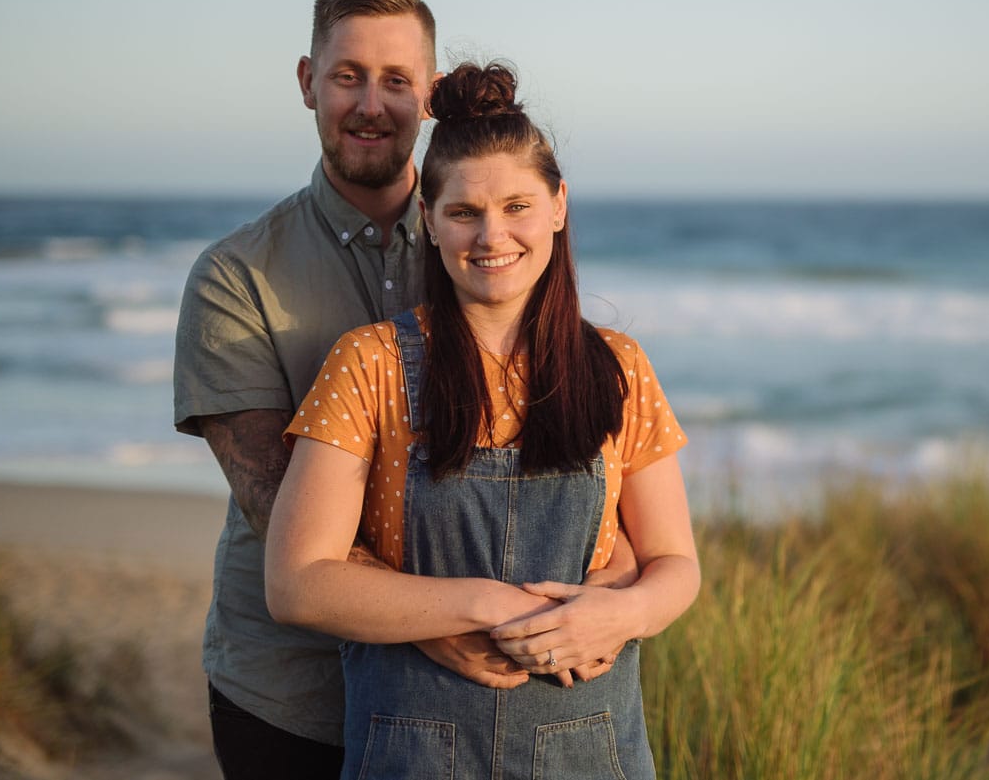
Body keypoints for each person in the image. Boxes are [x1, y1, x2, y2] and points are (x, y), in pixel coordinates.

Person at [174, 0, 635, 779]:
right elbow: (278, 502)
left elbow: (586, 455)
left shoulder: (485, 248)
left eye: (395, 80)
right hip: (289, 690)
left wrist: (621, 586)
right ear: (308, 83)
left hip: (484, 700)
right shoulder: (236, 276)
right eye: (347, 76)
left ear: (428, 95)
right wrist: (439, 617)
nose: (370, 103)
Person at [264, 62, 700, 779]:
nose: (492, 235)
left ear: (559, 205)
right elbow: (297, 581)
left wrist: (621, 615)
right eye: (464, 211)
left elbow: (676, 566)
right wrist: (480, 603)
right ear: (429, 222)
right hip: (411, 755)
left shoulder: (618, 367)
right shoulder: (368, 365)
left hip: (590, 752)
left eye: (517, 205)